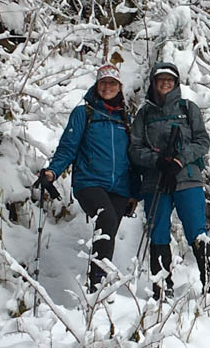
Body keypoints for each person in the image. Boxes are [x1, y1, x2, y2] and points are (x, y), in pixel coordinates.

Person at [36, 64, 138, 292]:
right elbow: (68, 148)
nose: (107, 87)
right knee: (107, 219)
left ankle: (98, 291)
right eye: (103, 83)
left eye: (112, 83)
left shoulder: (125, 119)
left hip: (120, 188)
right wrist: (52, 172)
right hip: (89, 182)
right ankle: (97, 285)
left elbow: (132, 159)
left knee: (108, 231)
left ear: (119, 87)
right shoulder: (84, 113)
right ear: (97, 85)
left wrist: (134, 192)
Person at [130, 61, 210, 299]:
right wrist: (157, 161)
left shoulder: (189, 109)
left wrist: (178, 160)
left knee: (197, 231)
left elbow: (202, 142)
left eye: (170, 80)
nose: (165, 83)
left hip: (187, 179)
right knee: (158, 232)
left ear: (176, 83)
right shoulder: (144, 114)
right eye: (161, 80)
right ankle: (161, 287)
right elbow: (134, 149)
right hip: (155, 182)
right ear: (154, 83)